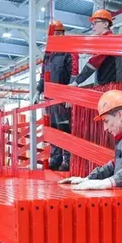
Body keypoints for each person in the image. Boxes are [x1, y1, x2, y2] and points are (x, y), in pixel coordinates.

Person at [59, 90, 122, 191]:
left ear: (120, 115)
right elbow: (116, 164)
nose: (105, 128)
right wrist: (88, 179)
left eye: (106, 121)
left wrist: (109, 182)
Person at [38, 21, 79, 171]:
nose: (55, 36)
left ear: (62, 33)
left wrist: (70, 95)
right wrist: (38, 90)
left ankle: (67, 161)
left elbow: (74, 74)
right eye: (53, 34)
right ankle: (55, 159)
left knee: (64, 127)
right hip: (50, 98)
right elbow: (43, 74)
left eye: (57, 33)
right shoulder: (48, 54)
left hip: (62, 98)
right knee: (53, 128)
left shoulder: (69, 50)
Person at [73, 10, 122, 87]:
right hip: (108, 86)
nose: (92, 27)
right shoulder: (107, 40)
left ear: (105, 24)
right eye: (92, 24)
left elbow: (93, 63)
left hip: (110, 87)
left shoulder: (108, 40)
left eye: (95, 23)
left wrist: (76, 82)